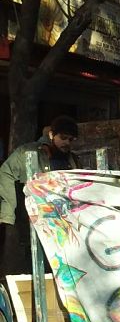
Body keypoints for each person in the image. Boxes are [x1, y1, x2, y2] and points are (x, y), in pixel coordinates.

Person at [0, 115, 80, 275]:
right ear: (51, 135)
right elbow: (5, 172)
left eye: (71, 139)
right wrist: (8, 211)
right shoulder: (28, 152)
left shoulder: (73, 159)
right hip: (33, 220)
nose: (67, 143)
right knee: (33, 262)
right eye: (63, 138)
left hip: (62, 222)